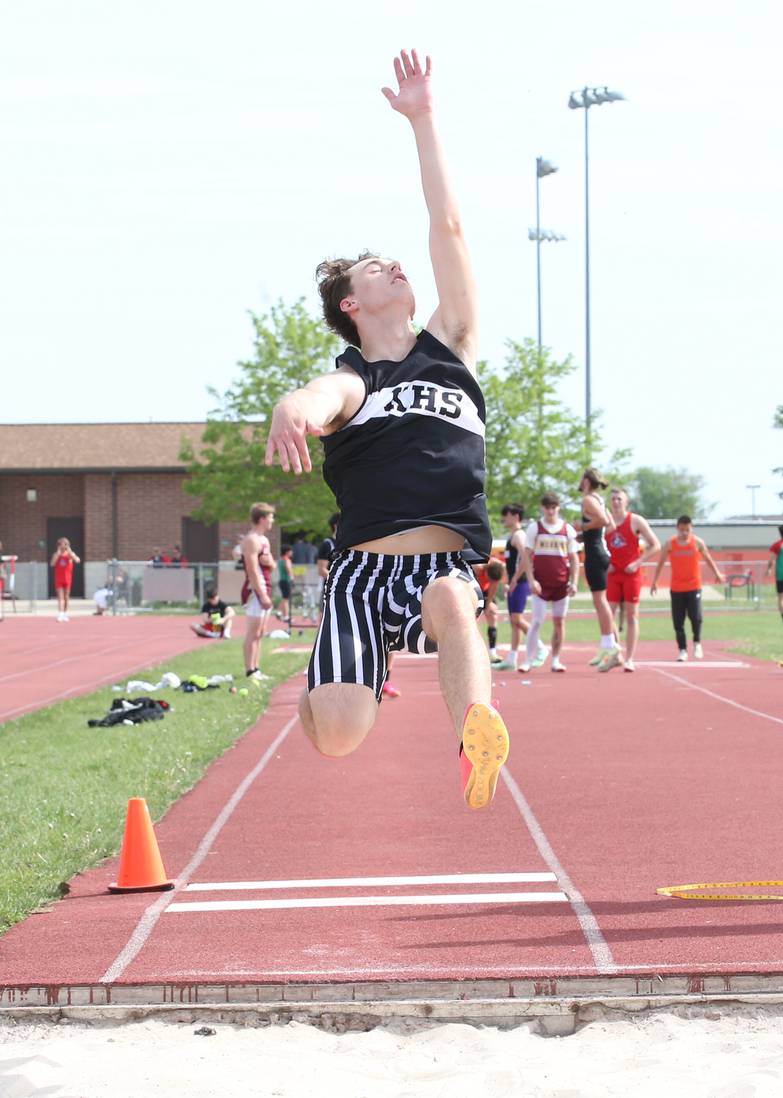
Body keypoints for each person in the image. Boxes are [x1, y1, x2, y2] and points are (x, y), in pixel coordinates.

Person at [265, 49, 509, 811]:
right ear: (350, 304)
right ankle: (334, 679)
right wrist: (289, 410)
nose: (395, 266)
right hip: (362, 575)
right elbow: (318, 396)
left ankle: (478, 731)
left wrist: (423, 119)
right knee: (336, 734)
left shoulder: (452, 348)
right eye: (376, 267)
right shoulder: (354, 378)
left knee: (450, 595)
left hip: (441, 561)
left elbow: (450, 226)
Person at [513, 492, 579, 673]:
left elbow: (574, 558)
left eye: (554, 507)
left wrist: (574, 582)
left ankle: (556, 660)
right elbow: (526, 555)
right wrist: (532, 580)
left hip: (561, 584)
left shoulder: (568, 530)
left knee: (559, 622)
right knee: (536, 621)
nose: (551, 511)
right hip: (540, 584)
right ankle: (528, 660)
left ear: (558, 508)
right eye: (547, 507)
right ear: (543, 508)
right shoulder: (535, 528)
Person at [650, 515, 725, 661]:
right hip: (677, 587)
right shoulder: (670, 544)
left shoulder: (697, 543)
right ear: (677, 528)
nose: (684, 533)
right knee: (678, 620)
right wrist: (655, 581)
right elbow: (660, 562)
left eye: (687, 530)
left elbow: (708, 558)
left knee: (696, 617)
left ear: (691, 528)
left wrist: (717, 573)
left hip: (694, 586)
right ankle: (682, 650)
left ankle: (697, 643)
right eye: (682, 530)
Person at [603, 487, 661, 672]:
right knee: (608, 615)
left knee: (631, 615)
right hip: (613, 574)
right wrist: (606, 563)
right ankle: (616, 654)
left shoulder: (635, 520)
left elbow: (655, 545)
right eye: (613, 499)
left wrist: (637, 563)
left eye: (619, 499)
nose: (616, 502)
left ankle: (629, 658)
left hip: (631, 574)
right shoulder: (605, 522)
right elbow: (595, 547)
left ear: (626, 501)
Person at [576, 469, 620, 671]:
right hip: (599, 550)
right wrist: (587, 535)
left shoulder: (588, 500)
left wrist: (583, 528)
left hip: (595, 554)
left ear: (586, 481)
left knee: (601, 601)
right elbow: (609, 526)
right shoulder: (598, 499)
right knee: (600, 601)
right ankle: (606, 644)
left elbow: (603, 521)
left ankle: (611, 645)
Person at [241, 503, 276, 680]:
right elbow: (252, 569)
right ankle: (250, 670)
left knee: (260, 632)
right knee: (253, 632)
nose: (272, 521)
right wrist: (261, 594)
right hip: (255, 590)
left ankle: (256, 668)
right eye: (270, 517)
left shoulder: (264, 540)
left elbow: (271, 565)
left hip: (266, 587)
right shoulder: (251, 540)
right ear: (262, 519)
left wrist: (270, 562)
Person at [493, 504, 530, 671]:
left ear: (515, 516)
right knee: (514, 623)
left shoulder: (519, 536)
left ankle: (539, 647)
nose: (504, 518)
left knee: (516, 619)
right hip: (514, 582)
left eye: (506, 515)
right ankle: (512, 659)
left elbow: (526, 557)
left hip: (521, 582)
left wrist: (515, 579)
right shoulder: (512, 536)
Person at [474, 558, 505, 664]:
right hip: (472, 589)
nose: (490, 581)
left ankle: (492, 653)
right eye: (489, 579)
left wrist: (488, 605)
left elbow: (493, 586)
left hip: (485, 591)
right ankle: (476, 652)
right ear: (486, 571)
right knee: (472, 622)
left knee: (492, 614)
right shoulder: (477, 568)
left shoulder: (497, 570)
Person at [51, 537, 80, 622]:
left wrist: (70, 552)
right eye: (61, 545)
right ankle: (60, 614)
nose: (63, 546)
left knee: (67, 597)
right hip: (59, 579)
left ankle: (66, 613)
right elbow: (52, 563)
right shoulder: (56, 555)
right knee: (60, 597)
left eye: (65, 544)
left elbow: (77, 560)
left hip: (67, 579)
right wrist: (58, 553)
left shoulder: (70, 554)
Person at [277, 545, 294, 621]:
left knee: (284, 598)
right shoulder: (287, 560)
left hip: (281, 580)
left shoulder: (280, 560)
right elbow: (288, 570)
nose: (292, 552)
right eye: (290, 551)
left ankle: (279, 612)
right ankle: (286, 616)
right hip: (286, 581)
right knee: (286, 599)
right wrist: (292, 579)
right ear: (287, 552)